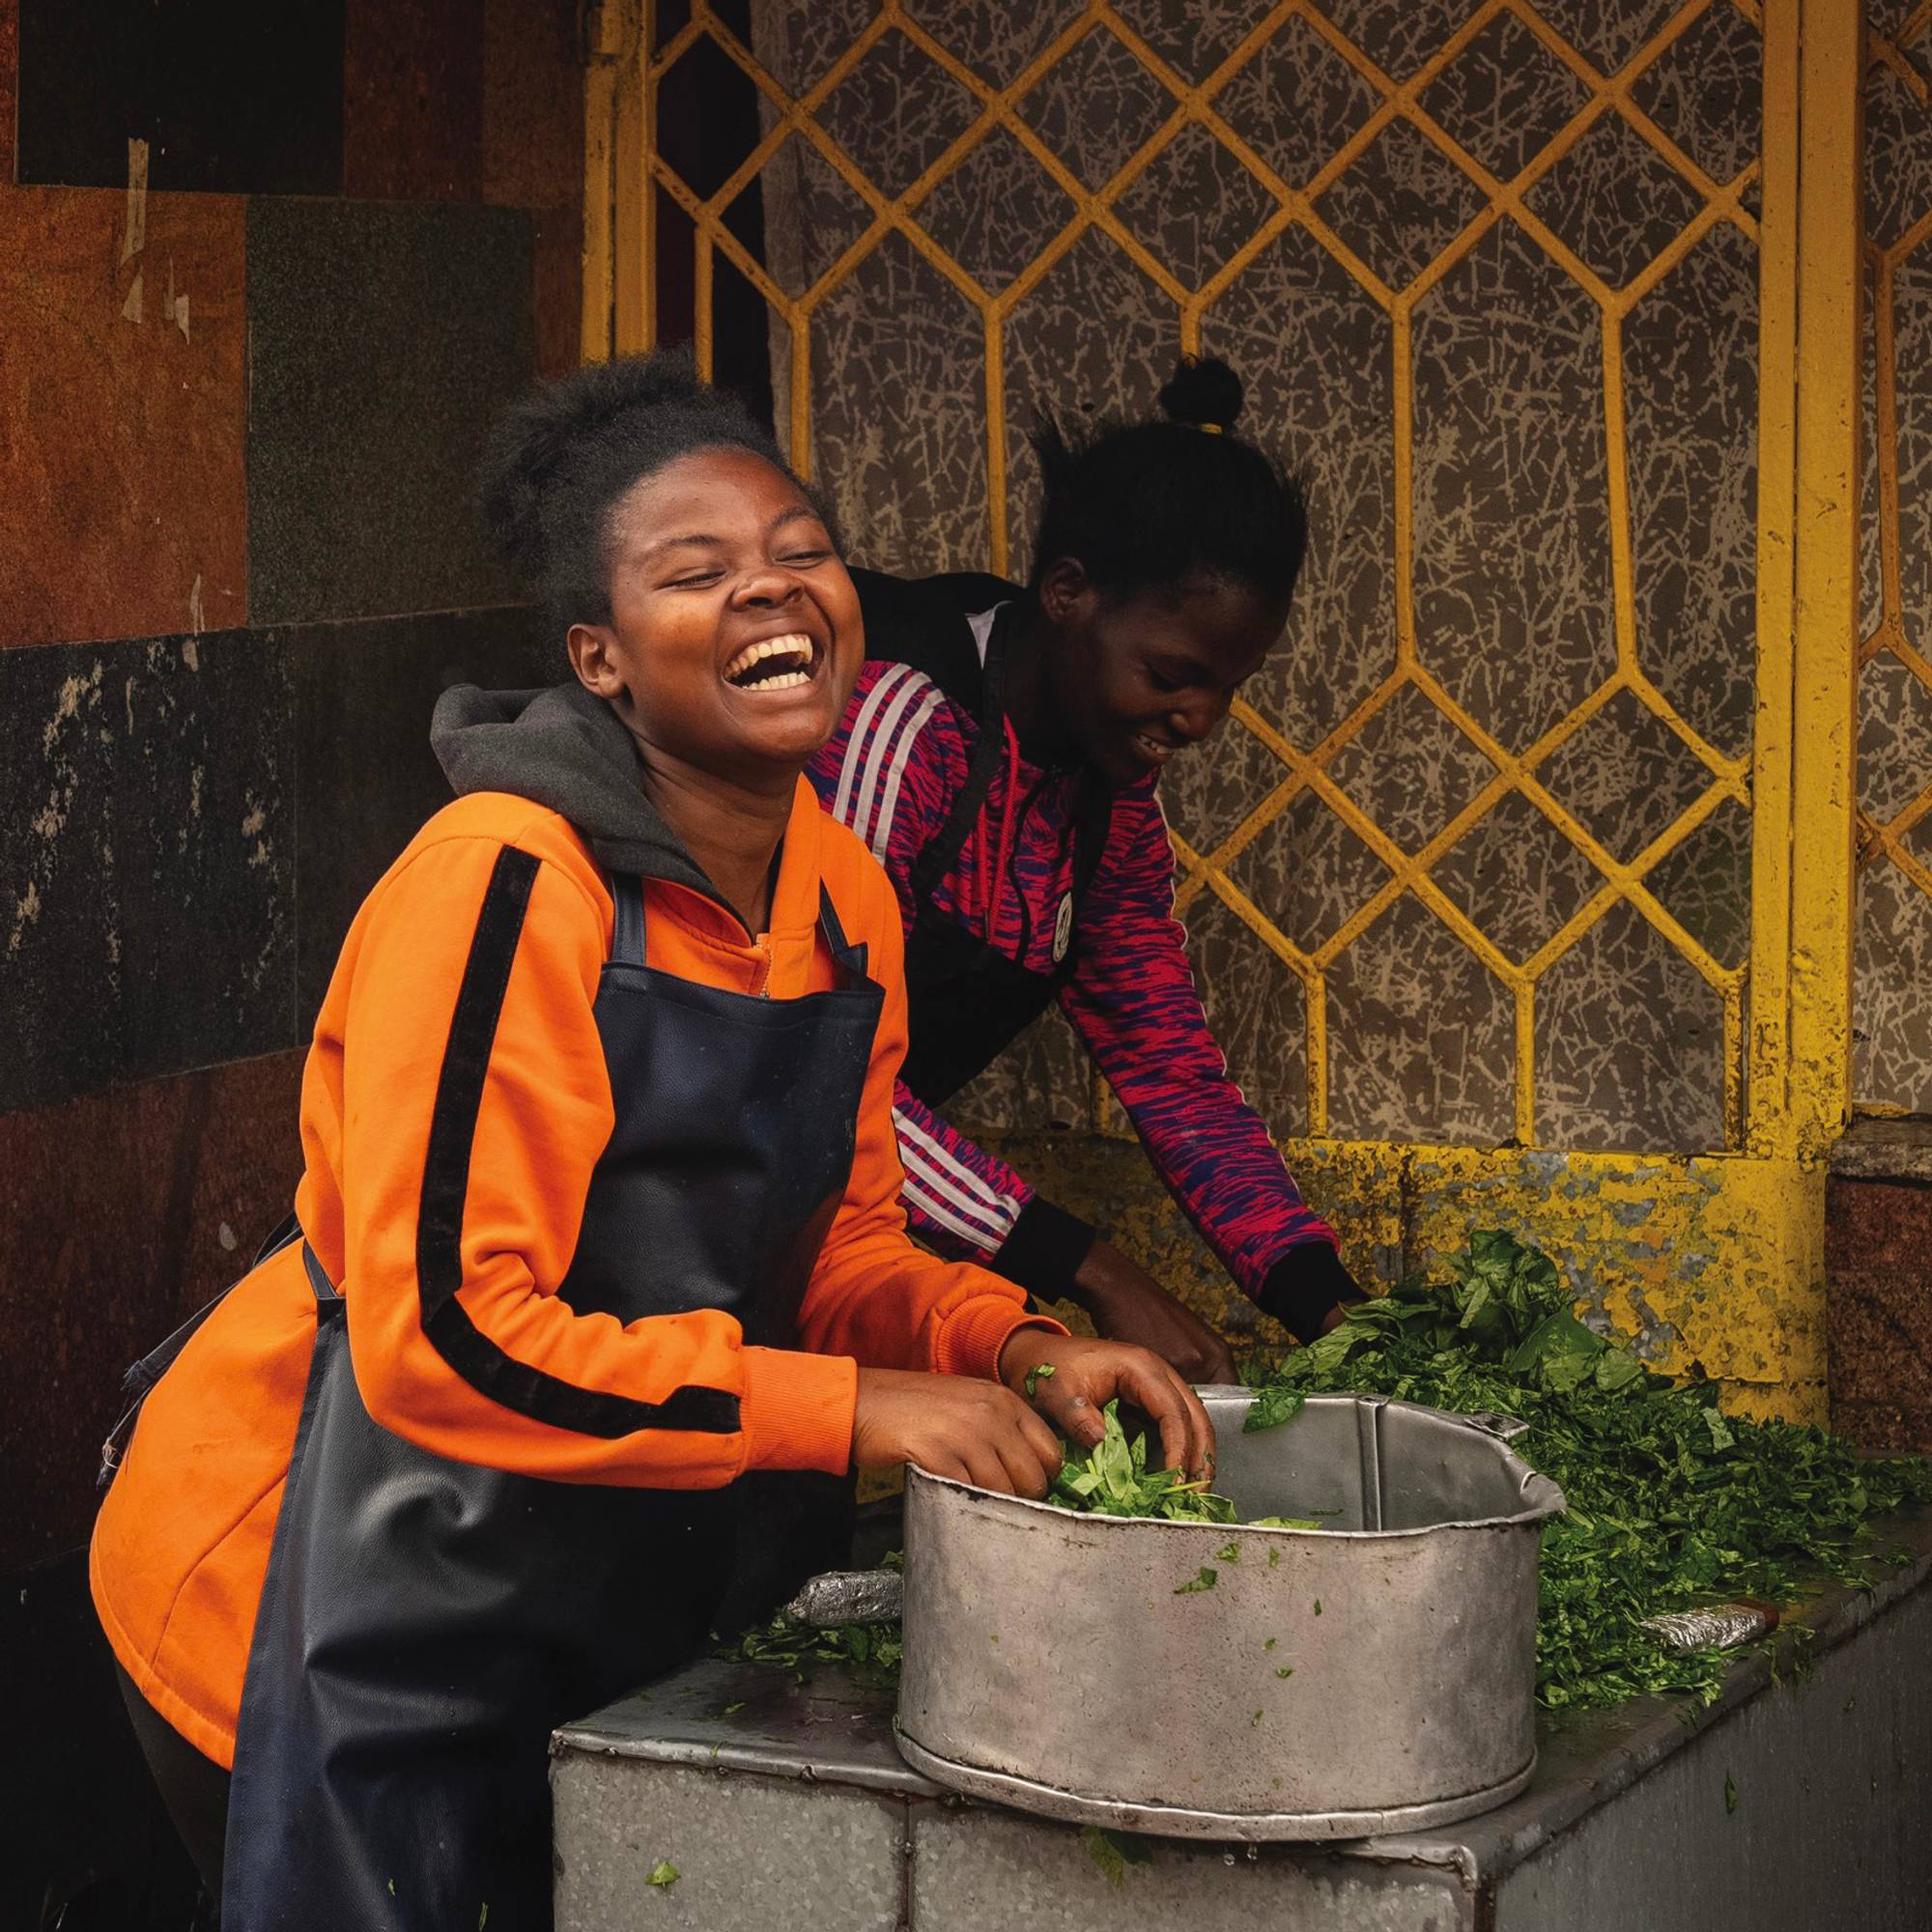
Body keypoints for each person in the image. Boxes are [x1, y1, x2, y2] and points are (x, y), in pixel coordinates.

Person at [89, 351, 1210, 1931]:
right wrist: (857, 1408)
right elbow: (451, 1343)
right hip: (308, 1601)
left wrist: (1009, 1346)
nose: (773, 594)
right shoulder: (503, 884)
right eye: (698, 575)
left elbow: (841, 1250)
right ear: (601, 658)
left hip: (573, 1594)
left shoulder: (841, 895)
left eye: (799, 553)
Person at [809, 356, 1363, 1385]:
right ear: (1066, 592)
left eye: (1225, 691)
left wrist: (1330, 1307)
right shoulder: (897, 721)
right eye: (1169, 676)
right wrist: (1095, 1270)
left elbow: (1169, 1069)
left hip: (828, 1215)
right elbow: (819, 1068)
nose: (1198, 722)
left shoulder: (1109, 807)